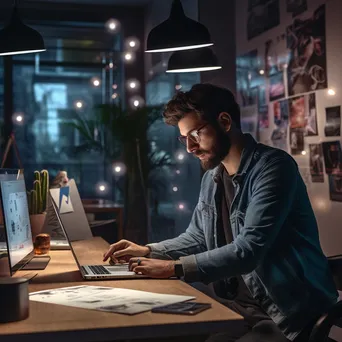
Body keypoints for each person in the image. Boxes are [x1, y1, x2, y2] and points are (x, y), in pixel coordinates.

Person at [103, 84, 338, 342]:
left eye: (196, 134)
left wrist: (173, 267)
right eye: (184, 138)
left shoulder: (274, 168)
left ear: (224, 121)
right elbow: (197, 238)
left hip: (286, 316)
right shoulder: (213, 177)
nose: (190, 147)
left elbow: (248, 251)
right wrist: (148, 251)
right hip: (238, 308)